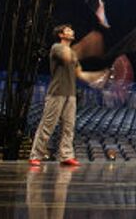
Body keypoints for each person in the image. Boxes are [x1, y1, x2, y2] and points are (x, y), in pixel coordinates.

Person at [29, 24, 87, 167]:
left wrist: (98, 77)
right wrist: (86, 45)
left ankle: (66, 156)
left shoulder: (73, 53)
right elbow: (66, 57)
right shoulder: (57, 48)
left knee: (69, 126)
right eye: (68, 30)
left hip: (71, 94)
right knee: (48, 125)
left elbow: (79, 72)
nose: (72, 31)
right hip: (56, 93)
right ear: (61, 35)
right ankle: (36, 155)